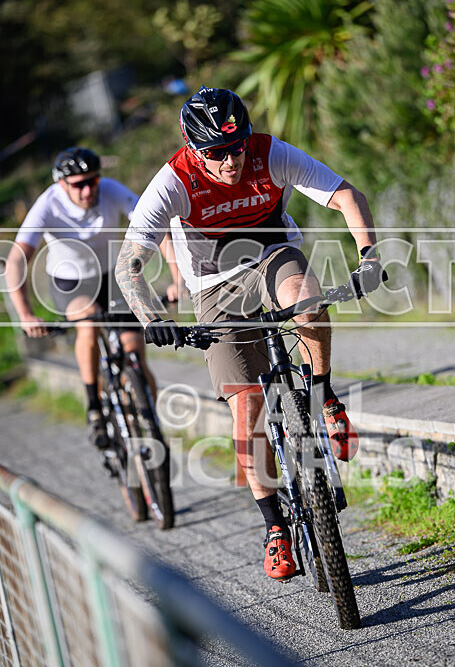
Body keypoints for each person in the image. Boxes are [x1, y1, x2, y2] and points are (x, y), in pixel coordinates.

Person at [115, 86, 386, 581]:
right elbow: (129, 265)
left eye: (238, 146)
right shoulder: (172, 182)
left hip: (270, 254)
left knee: (308, 298)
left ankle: (325, 399)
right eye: (217, 153)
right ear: (194, 149)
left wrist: (369, 256)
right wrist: (153, 319)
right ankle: (275, 526)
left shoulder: (268, 152)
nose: (232, 160)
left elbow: (347, 195)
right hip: (214, 283)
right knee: (247, 407)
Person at [5, 146, 163, 449]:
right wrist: (26, 314)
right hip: (70, 284)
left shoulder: (111, 190)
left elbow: (153, 224)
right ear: (61, 184)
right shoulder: (47, 204)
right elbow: (15, 260)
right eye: (78, 184)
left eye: (93, 180)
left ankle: (149, 422)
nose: (88, 189)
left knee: (135, 354)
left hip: (111, 278)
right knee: (87, 323)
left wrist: (178, 279)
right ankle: (94, 406)